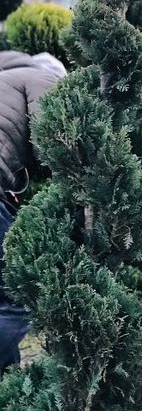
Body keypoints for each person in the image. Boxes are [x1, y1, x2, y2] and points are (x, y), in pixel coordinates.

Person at [0, 50, 63, 376]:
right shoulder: (43, 77)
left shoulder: (6, 76)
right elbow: (54, 145)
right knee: (18, 296)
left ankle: (8, 382)